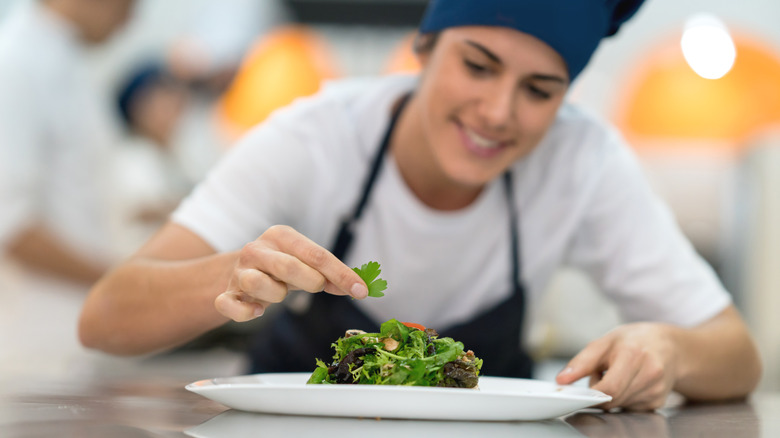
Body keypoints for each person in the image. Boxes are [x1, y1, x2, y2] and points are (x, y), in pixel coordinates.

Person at [79, 0, 762, 411]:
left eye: (539, 90)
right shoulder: (312, 137)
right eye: (478, 65)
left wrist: (668, 348)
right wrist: (224, 276)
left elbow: (737, 355)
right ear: (425, 48)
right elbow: (103, 319)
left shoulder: (583, 161)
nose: (497, 113)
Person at [0, 0, 135, 376]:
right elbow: (9, 225)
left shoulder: (64, 64)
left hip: (78, 334)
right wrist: (124, 284)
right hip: (37, 345)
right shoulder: (14, 64)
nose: (131, 17)